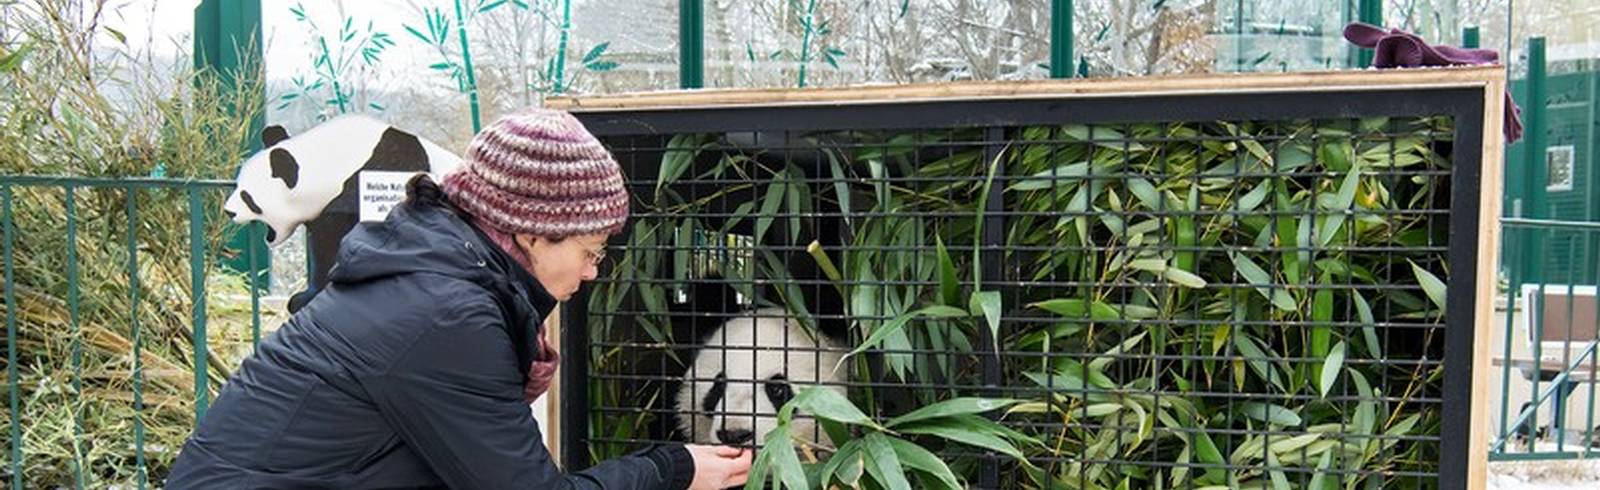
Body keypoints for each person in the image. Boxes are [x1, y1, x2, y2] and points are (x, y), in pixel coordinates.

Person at [168, 109, 752, 489]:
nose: (595, 271)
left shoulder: (434, 270)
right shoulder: (446, 315)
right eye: (593, 248)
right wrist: (674, 466)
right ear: (530, 233)